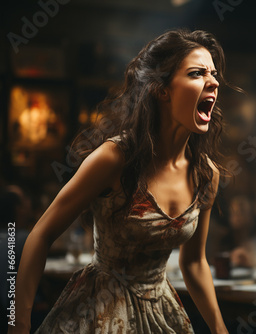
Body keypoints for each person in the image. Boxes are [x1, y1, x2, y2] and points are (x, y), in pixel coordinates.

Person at [10, 29, 230, 334]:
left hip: (161, 316)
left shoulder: (206, 174)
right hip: (97, 312)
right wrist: (17, 323)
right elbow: (41, 235)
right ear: (162, 89)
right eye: (197, 73)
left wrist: (220, 329)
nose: (214, 81)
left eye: (214, 74)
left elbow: (193, 263)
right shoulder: (115, 158)